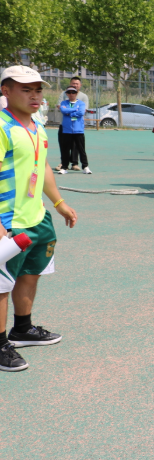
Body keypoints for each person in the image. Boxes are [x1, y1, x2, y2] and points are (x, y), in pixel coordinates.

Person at [0, 66, 78, 372]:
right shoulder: (2, 126)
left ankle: (22, 329)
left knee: (30, 274)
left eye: (38, 90)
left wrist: (58, 202)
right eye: (26, 89)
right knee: (1, 285)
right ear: (6, 91)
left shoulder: (37, 126)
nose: (34, 96)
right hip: (9, 222)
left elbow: (42, 166)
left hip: (37, 219)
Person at [57, 86, 91, 175]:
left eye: (73, 92)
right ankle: (64, 167)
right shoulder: (64, 102)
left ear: (76, 93)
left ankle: (85, 167)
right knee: (65, 150)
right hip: (66, 130)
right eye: (69, 92)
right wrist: (74, 110)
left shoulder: (81, 103)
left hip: (78, 130)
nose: (71, 94)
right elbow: (63, 110)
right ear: (67, 94)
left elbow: (81, 112)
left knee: (81, 149)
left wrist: (70, 113)